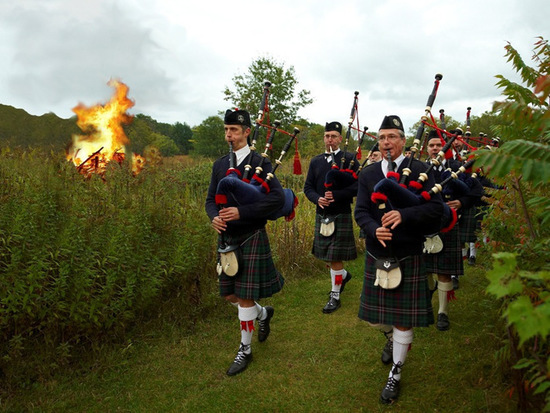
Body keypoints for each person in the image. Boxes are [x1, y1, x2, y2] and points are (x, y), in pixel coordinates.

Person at [355, 115, 444, 404]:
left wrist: (404, 215)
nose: (386, 143)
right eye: (381, 137)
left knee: (404, 320)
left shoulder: (419, 169)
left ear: (403, 141)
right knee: (377, 319)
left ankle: (396, 371)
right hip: (376, 251)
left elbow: (436, 211)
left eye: (392, 136)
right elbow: (361, 212)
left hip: (408, 252)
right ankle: (392, 339)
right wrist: (373, 228)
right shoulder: (368, 174)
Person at [205, 109, 285, 376]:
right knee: (230, 295)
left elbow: (276, 199)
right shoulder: (219, 165)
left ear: (247, 132)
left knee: (246, 296)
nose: (229, 135)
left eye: (235, 130)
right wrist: (214, 217)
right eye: (226, 130)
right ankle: (263, 315)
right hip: (227, 239)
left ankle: (245, 349)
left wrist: (242, 212)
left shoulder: (261, 162)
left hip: (251, 235)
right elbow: (209, 201)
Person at [423, 130, 482, 329]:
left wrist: (462, 202)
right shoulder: (419, 168)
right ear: (427, 148)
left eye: (438, 145)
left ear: (445, 148)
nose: (434, 149)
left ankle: (442, 312)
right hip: (423, 224)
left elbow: (477, 191)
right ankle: (428, 301)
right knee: (426, 271)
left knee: (444, 272)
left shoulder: (457, 167)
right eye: (431, 145)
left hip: (448, 223)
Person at [304, 121, 358, 313]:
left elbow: (356, 187)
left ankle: (335, 295)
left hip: (341, 213)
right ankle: (342, 275)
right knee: (326, 255)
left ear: (340, 139)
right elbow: (308, 187)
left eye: (334, 136)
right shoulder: (316, 161)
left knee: (334, 257)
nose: (330, 139)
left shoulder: (349, 159)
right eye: (327, 136)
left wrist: (337, 195)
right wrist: (318, 199)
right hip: (322, 214)